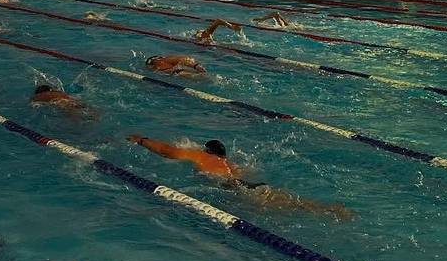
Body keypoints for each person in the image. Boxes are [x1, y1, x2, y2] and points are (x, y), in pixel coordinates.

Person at [127, 135, 352, 219]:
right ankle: (326, 208)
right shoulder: (231, 164)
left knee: (278, 208)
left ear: (207, 151)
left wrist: (142, 140)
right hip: (249, 184)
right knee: (289, 202)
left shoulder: (199, 156)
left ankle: (326, 210)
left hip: (232, 187)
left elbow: (168, 151)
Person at [31, 81, 95, 118]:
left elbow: (32, 104)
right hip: (72, 101)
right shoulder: (59, 93)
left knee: (75, 117)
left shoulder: (38, 96)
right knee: (87, 111)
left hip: (61, 102)